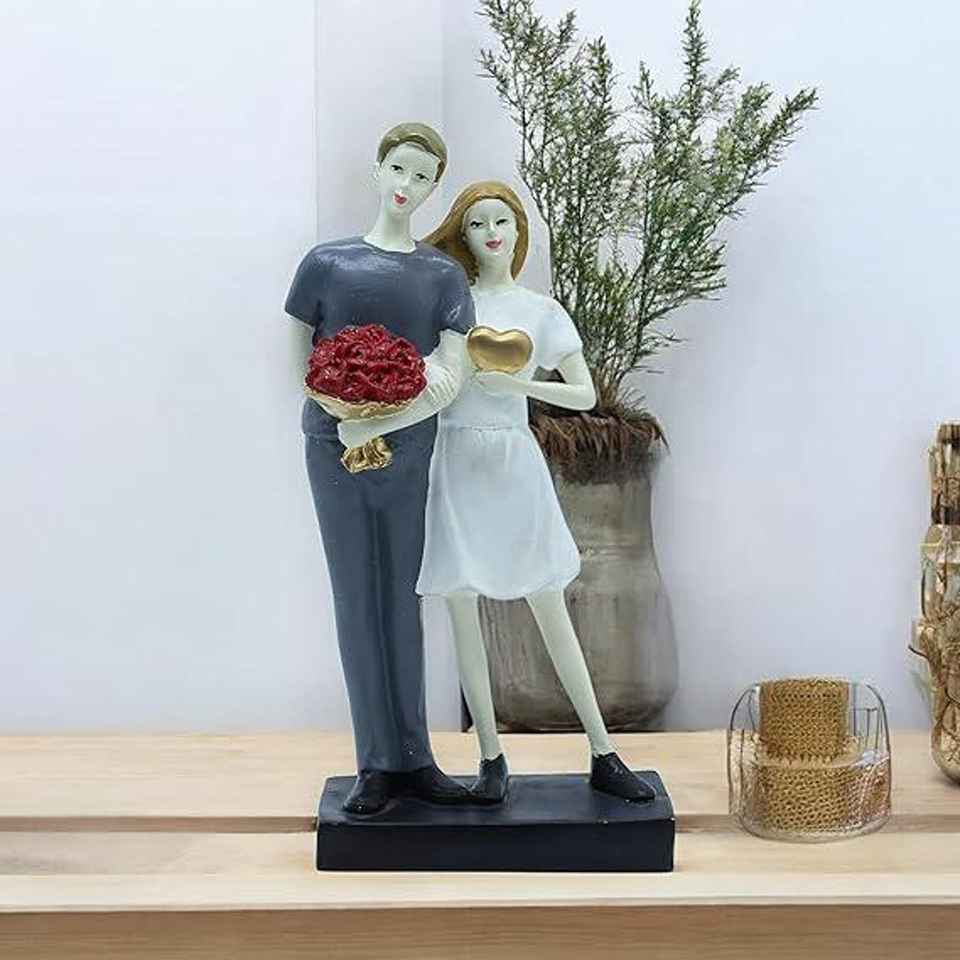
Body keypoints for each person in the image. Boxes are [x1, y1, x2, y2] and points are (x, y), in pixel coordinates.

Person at [356, 180, 657, 806]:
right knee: (462, 608)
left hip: (514, 462)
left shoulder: (541, 312)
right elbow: (426, 379)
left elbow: (584, 394)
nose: (491, 233)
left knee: (548, 602)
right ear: (463, 236)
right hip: (455, 461)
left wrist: (519, 387)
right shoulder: (451, 303)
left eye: (501, 221)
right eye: (477, 224)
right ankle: (490, 756)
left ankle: (603, 750)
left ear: (519, 230)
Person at [283, 123, 477, 815]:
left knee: (402, 594)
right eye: (399, 168)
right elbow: (298, 358)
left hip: (408, 448)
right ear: (377, 169)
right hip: (331, 446)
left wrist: (382, 419)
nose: (406, 184)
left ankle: (414, 757)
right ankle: (374, 761)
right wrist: (341, 412)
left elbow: (451, 373)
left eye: (422, 176)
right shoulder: (325, 264)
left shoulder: (442, 276)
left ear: (433, 189)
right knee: (354, 596)